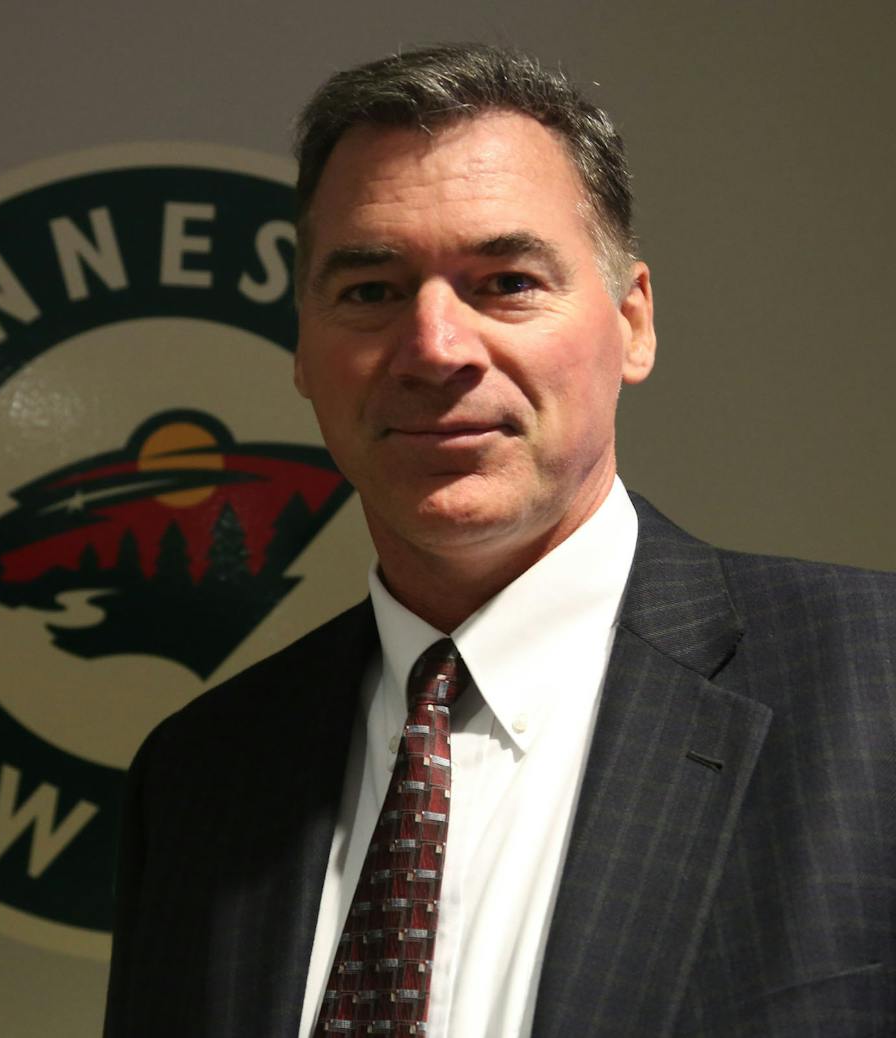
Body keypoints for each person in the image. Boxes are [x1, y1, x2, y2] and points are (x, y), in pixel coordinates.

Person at [102, 44, 895, 1037]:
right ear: (303, 348)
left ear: (632, 322)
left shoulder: (874, 689)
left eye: (507, 281)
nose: (435, 347)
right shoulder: (200, 779)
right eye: (370, 291)